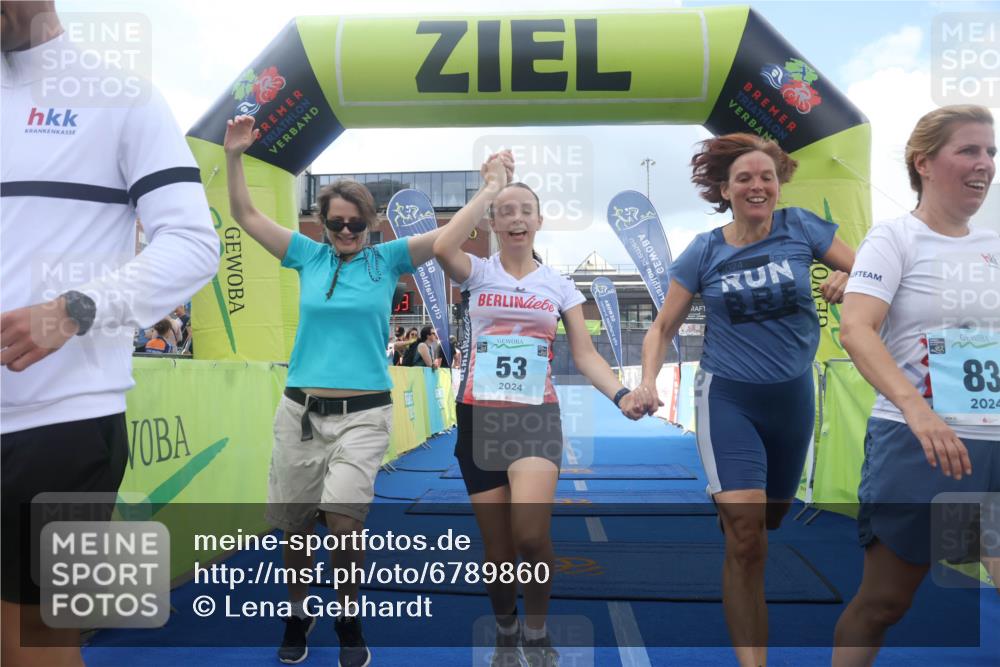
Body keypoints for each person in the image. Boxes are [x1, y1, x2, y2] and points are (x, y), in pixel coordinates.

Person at [0, 5, 219, 666]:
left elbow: (193, 246)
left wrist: (75, 309)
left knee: (35, 651)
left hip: (63, 427)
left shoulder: (123, 97)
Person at [224, 114, 445, 667]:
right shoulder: (308, 254)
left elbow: (449, 234)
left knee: (344, 526)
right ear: (322, 223)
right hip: (299, 411)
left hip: (364, 415)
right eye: (336, 223)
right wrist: (233, 156)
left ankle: (348, 617)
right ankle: (300, 613)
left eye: (355, 224)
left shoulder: (386, 259)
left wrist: (489, 190)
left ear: (371, 224)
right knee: (295, 532)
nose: (346, 232)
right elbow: (245, 214)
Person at [626, 133, 855, 667]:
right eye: (745, 179)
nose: (758, 186)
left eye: (766, 177)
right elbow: (662, 325)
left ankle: (734, 505)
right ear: (725, 190)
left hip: (793, 399)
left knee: (772, 520)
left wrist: (848, 274)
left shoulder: (801, 228)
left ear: (778, 185)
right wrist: (648, 381)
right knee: (748, 540)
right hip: (729, 397)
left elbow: (871, 271)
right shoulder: (706, 250)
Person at [433, 150, 634, 667]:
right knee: (498, 554)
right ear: (494, 224)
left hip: (534, 418)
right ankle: (506, 631)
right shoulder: (476, 271)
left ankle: (539, 632)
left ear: (539, 221)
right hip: (479, 419)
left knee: (530, 534)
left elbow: (586, 354)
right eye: (507, 210)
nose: (517, 217)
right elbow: (440, 246)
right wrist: (488, 187)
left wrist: (620, 393)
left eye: (526, 209)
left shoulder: (560, 286)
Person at [832, 105, 998, 665]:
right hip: (917, 442)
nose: (985, 164)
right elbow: (856, 330)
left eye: (991, 152)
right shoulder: (895, 239)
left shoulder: (994, 247)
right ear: (924, 163)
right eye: (969, 151)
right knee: (883, 604)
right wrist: (920, 411)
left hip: (994, 445)